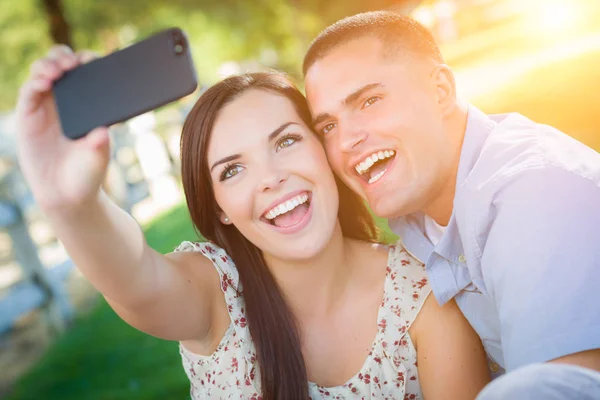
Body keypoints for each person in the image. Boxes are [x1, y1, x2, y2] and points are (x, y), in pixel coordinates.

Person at [15, 46, 491, 399]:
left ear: (323, 149)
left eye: (285, 142)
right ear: (219, 205)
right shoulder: (217, 293)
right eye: (233, 170)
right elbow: (135, 280)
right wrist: (72, 206)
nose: (271, 179)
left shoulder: (424, 293)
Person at [302, 10, 600, 400]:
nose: (345, 141)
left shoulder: (536, 197)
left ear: (440, 90)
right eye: (328, 126)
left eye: (369, 100)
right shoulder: (418, 218)